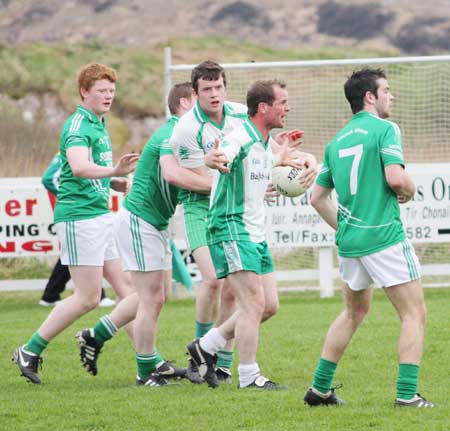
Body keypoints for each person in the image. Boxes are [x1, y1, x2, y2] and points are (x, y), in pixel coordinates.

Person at [303, 68, 435, 408]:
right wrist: (411, 188)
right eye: (386, 90)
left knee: (352, 312)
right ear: (369, 97)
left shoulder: (336, 143)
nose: (392, 96)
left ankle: (319, 390)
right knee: (414, 314)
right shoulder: (385, 129)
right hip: (384, 238)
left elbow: (317, 198)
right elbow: (395, 178)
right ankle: (407, 396)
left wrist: (347, 228)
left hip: (351, 244)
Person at [76, 82, 212, 386]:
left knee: (153, 296)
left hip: (154, 223)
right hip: (140, 220)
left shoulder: (187, 134)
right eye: (201, 97)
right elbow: (175, 174)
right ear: (186, 103)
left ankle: (94, 336)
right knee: (151, 299)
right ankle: (144, 371)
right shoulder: (173, 133)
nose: (209, 103)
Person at [12, 62, 138, 384]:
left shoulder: (98, 122)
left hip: (98, 214)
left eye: (112, 91)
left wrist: (111, 184)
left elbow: (82, 173)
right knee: (88, 298)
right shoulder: (78, 125)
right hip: (79, 219)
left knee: (127, 290)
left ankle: (148, 364)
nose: (109, 96)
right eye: (101, 91)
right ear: (84, 92)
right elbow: (79, 167)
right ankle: (30, 349)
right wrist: (113, 173)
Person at [188, 79, 318, 389]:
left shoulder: (262, 143)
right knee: (252, 304)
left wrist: (300, 160)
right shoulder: (240, 137)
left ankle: (205, 346)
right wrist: (213, 160)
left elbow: (268, 164)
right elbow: (225, 154)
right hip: (231, 227)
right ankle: (249, 376)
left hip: (254, 231)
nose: (287, 108)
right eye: (282, 102)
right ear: (263, 108)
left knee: (269, 305)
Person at [169, 61, 248, 382]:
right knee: (214, 279)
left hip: (231, 209)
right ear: (196, 92)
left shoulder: (241, 114)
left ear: (225, 87)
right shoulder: (186, 130)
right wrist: (211, 166)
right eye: (206, 89)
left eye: (218, 87)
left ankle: (222, 361)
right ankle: (199, 352)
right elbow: (188, 178)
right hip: (200, 209)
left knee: (233, 288)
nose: (214, 94)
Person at [40, 153, 114, 307]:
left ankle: (51, 295)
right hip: (76, 212)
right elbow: (48, 179)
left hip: (85, 211)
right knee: (83, 251)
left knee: (78, 253)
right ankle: (96, 295)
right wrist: (73, 197)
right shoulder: (71, 147)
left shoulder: (89, 148)